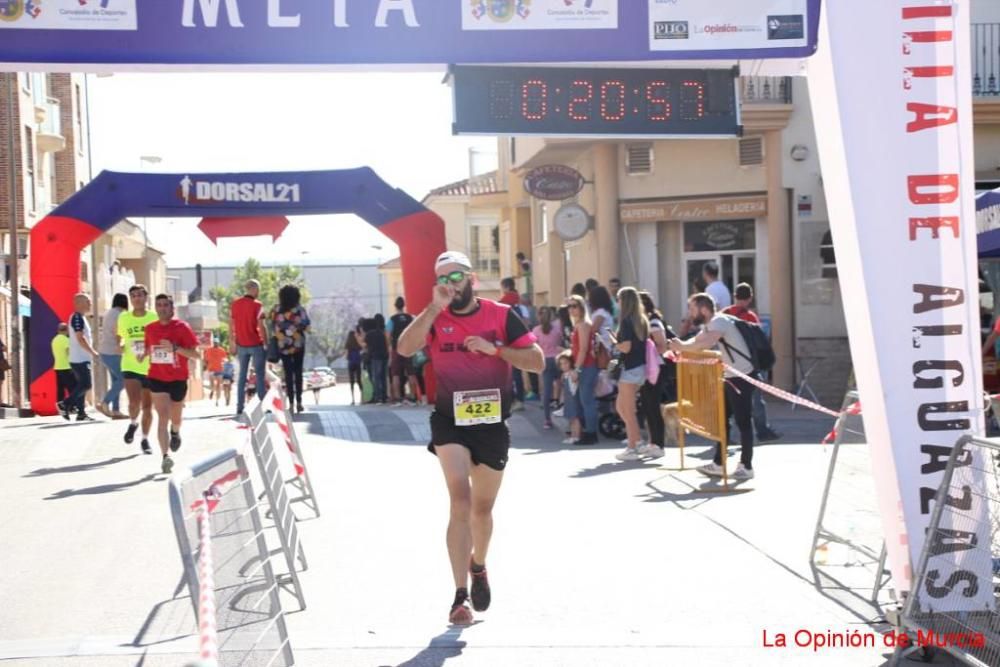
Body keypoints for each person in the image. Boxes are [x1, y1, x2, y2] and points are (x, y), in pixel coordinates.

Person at [396, 250, 543, 626]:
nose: (450, 284)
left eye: (456, 276)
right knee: (459, 501)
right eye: (443, 278)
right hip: (450, 422)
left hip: (492, 426)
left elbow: (538, 361)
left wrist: (495, 349)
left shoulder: (500, 315)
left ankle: (479, 565)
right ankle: (459, 595)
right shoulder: (435, 316)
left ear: (472, 279)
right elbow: (403, 347)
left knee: (482, 510)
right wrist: (431, 309)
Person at [669, 293, 756, 481]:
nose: (690, 314)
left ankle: (746, 466)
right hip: (730, 376)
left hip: (742, 377)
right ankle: (718, 463)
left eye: (692, 309)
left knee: (743, 422)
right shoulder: (711, 324)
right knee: (721, 419)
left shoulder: (719, 321)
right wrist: (681, 345)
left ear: (703, 309)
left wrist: (682, 346)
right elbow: (696, 342)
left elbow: (705, 343)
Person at [140, 294, 200, 475]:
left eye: (165, 305)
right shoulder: (150, 329)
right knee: (162, 417)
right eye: (158, 305)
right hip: (156, 377)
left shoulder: (182, 327)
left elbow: (196, 355)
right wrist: (143, 355)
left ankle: (175, 432)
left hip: (177, 378)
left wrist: (175, 348)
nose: (162, 308)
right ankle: (165, 457)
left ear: (172, 308)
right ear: (155, 308)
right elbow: (148, 349)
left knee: (176, 418)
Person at [723, 283, 782, 442]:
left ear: (734, 296)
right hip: (750, 365)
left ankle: (726, 435)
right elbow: (760, 343)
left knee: (730, 402)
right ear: (750, 298)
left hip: (729, 366)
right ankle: (762, 431)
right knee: (756, 400)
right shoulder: (751, 317)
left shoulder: (724, 315)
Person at [611, 287, 649, 462]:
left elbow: (626, 347)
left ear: (623, 301)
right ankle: (636, 441)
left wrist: (614, 343)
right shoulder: (640, 320)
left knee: (627, 409)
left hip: (630, 368)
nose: (617, 302)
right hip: (639, 367)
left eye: (618, 299)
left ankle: (633, 446)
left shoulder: (626, 321)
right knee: (622, 407)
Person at [118, 284, 157, 453]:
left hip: (151, 367)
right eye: (133, 296)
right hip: (130, 364)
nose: (137, 298)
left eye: (140, 295)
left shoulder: (154, 317)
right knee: (134, 403)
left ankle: (145, 439)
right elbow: (120, 336)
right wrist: (120, 344)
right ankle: (133, 423)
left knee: (148, 407)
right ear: (130, 299)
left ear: (146, 298)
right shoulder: (124, 317)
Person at [637, 291, 673, 460]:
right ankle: (653, 443)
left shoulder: (654, 323)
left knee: (653, 406)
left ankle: (659, 444)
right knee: (648, 406)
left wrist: (648, 353)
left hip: (657, 369)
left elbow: (662, 346)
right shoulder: (646, 322)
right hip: (649, 369)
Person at [270, 285, 310, 413]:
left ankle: (291, 402)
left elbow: (273, 326)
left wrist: (282, 333)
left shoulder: (276, 309)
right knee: (298, 373)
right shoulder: (299, 310)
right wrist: (295, 329)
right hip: (298, 344)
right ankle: (299, 401)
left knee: (288, 373)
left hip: (283, 345)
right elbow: (306, 326)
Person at [230, 279, 268, 416]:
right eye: (258, 289)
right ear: (254, 289)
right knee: (260, 375)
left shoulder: (235, 304)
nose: (259, 292)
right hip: (256, 344)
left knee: (242, 376)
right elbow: (262, 326)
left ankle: (240, 406)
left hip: (241, 345)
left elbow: (231, 325)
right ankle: (262, 405)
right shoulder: (258, 305)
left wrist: (232, 342)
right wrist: (266, 343)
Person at [566, 294, 600, 445]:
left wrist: (576, 369)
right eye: (570, 306)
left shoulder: (584, 325)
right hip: (583, 366)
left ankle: (591, 434)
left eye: (575, 306)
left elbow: (584, 349)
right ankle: (587, 431)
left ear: (581, 307)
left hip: (587, 367)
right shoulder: (578, 325)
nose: (572, 309)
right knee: (582, 401)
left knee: (587, 401)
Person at [61, 293, 97, 422]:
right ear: (80, 303)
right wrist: (93, 352)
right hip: (79, 358)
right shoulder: (77, 317)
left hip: (81, 357)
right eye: (88, 301)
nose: (90, 304)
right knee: (86, 384)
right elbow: (80, 338)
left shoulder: (81, 317)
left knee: (81, 384)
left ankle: (81, 413)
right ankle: (65, 404)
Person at [531, 306, 564, 430]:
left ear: (539, 316)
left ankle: (547, 419)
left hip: (545, 360)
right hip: (558, 359)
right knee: (560, 385)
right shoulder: (557, 328)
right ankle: (559, 407)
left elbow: (534, 347)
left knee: (546, 391)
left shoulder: (536, 330)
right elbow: (561, 341)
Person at [97, 293, 128, 418]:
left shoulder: (108, 313)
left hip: (104, 351)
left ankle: (116, 410)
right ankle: (105, 402)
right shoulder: (119, 314)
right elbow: (118, 332)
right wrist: (120, 346)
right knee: (123, 380)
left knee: (116, 380)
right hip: (113, 351)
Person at [388, 296, 420, 406]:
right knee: (411, 373)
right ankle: (412, 397)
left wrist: (390, 346)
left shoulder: (392, 320)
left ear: (395, 306)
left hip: (396, 349)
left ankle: (398, 399)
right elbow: (417, 330)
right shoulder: (411, 317)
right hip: (409, 348)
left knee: (396, 374)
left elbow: (387, 334)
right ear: (404, 305)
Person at [363, 314, 390, 404]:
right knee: (383, 377)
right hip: (385, 356)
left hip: (375, 357)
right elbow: (387, 344)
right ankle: (384, 397)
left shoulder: (370, 334)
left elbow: (364, 346)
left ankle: (378, 397)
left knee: (376, 377)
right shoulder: (384, 332)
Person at [556, 350, 581, 443]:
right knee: (571, 418)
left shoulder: (572, 373)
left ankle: (576, 436)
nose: (563, 366)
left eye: (566, 363)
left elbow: (575, 381)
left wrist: (574, 373)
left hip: (573, 398)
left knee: (575, 418)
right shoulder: (564, 375)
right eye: (561, 364)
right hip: (568, 399)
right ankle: (572, 435)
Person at [51, 323, 75, 407]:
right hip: (67, 366)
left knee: (60, 388)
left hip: (57, 367)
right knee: (71, 388)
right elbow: (69, 353)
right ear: (66, 330)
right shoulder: (66, 340)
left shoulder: (54, 340)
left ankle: (60, 405)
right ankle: (72, 406)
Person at [588, 285, 615, 358]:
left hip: (603, 348)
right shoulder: (605, 312)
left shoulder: (601, 313)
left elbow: (594, 329)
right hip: (606, 345)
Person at [203, 338, 228, 407]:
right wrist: (205, 366)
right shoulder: (209, 350)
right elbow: (205, 359)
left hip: (219, 369)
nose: (215, 344)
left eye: (216, 343)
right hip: (211, 369)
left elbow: (225, 359)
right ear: (213, 343)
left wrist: (225, 362)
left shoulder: (222, 350)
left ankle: (217, 400)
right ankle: (212, 391)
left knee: (219, 385)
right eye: (214, 342)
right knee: (212, 384)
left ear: (218, 343)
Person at [345, 325, 364, 405]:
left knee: (352, 381)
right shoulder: (358, 344)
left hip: (351, 363)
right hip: (358, 362)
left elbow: (346, 355)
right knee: (359, 380)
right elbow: (362, 349)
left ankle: (353, 399)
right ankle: (362, 398)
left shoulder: (348, 344)